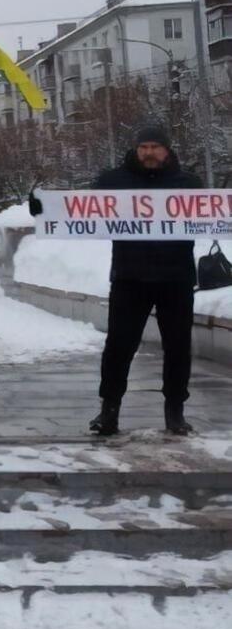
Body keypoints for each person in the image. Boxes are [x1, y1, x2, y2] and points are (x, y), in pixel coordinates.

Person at [41, 126, 201, 437]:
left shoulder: (188, 183)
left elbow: (209, 214)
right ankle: (109, 410)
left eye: (156, 146)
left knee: (178, 347)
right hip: (130, 277)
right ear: (136, 149)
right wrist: (44, 210)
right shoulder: (113, 182)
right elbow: (80, 214)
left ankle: (175, 412)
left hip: (176, 278)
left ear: (167, 150)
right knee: (118, 346)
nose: (149, 152)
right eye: (144, 146)